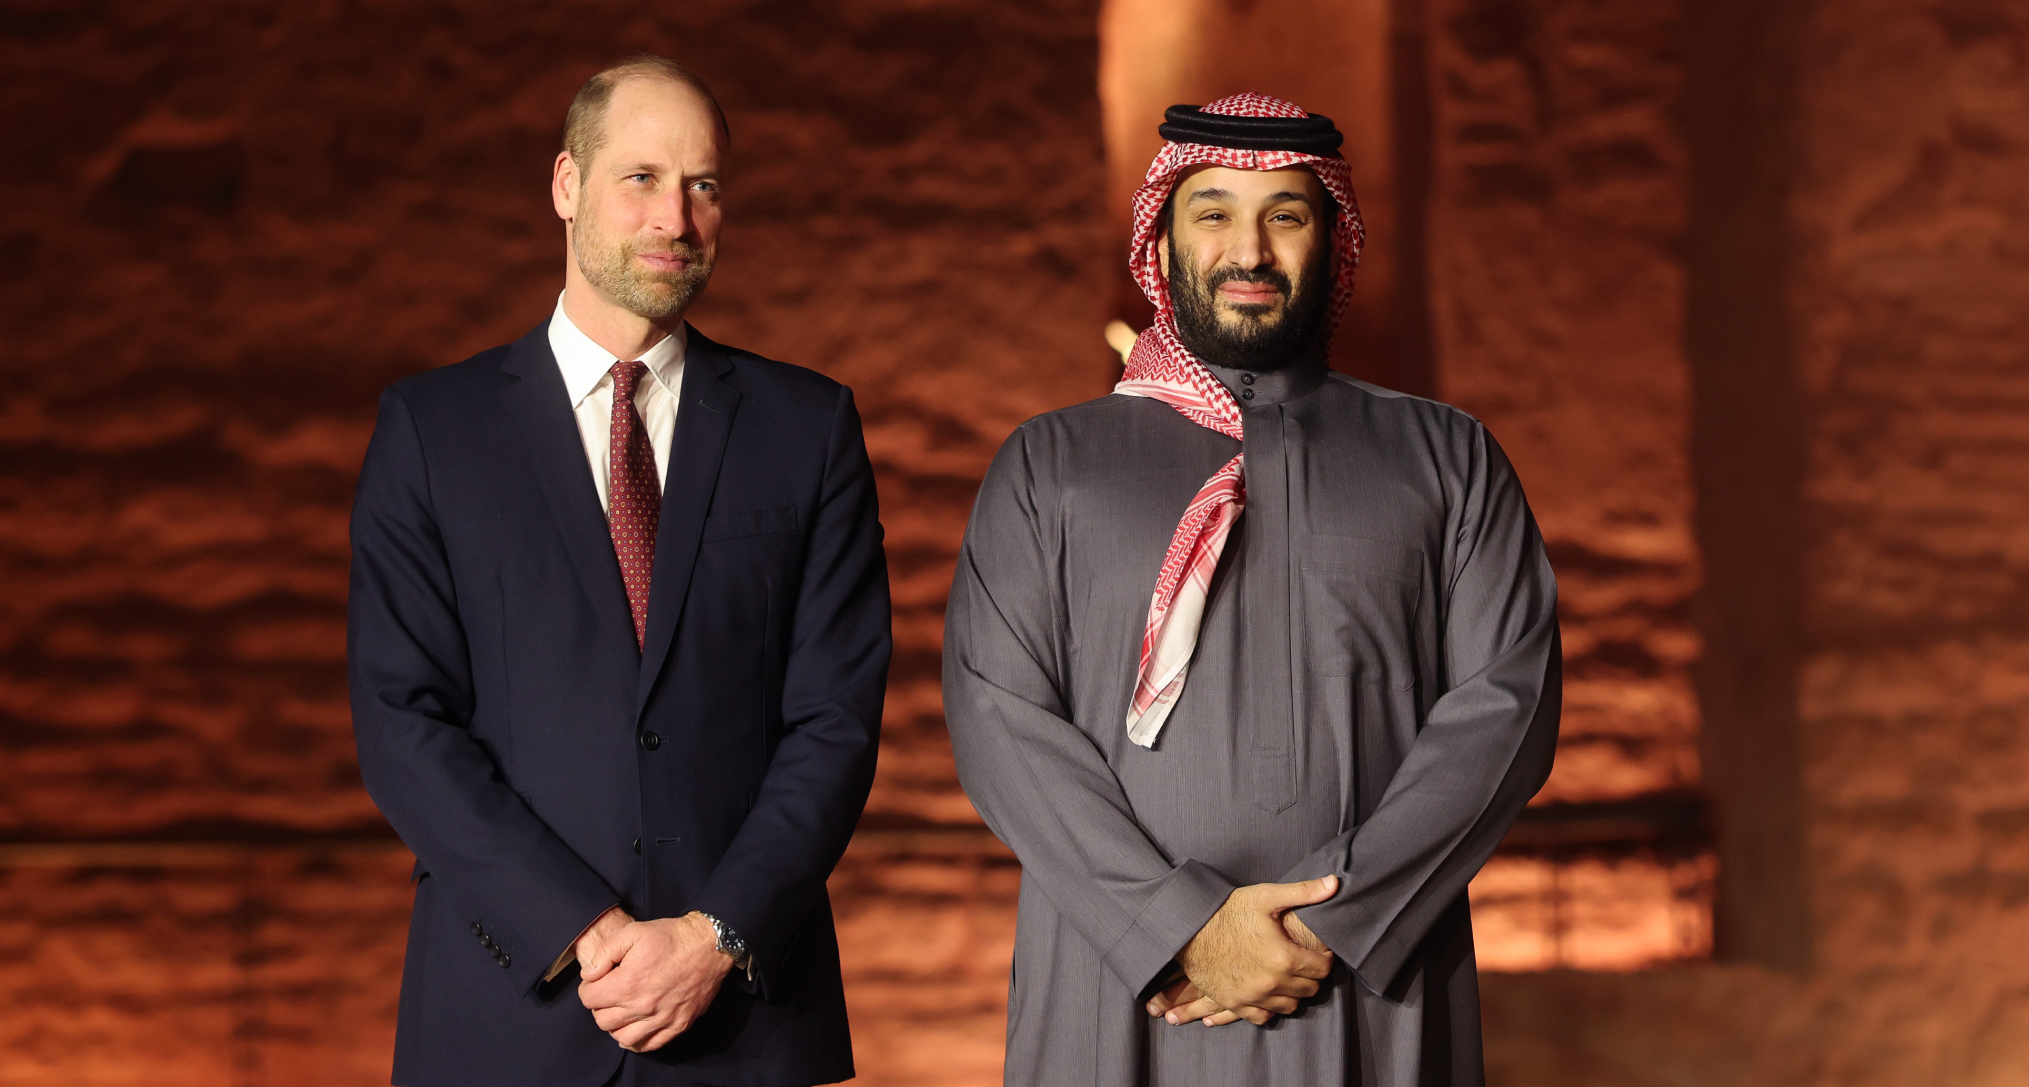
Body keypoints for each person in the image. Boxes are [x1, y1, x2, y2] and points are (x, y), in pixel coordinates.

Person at [943, 93, 1560, 1085]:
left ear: (1332, 240)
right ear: (1163, 238)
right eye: (1214, 212)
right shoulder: (1048, 464)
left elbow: (1505, 710)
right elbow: (996, 717)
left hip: (1369, 978)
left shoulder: (1449, 458)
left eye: (1285, 214)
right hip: (1123, 982)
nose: (1250, 251)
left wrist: (1329, 922)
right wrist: (1175, 925)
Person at [348, 55, 889, 1087]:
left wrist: (714, 938)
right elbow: (403, 724)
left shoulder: (807, 428)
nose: (675, 220)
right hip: (509, 1018)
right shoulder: (432, 430)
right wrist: (587, 932)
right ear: (565, 185)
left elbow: (837, 719)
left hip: (744, 1022)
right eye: (640, 178)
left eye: (705, 186)